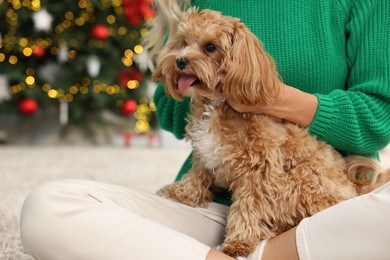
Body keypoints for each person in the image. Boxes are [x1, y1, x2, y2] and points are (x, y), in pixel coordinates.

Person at [20, 0, 390, 259]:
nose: (187, 53)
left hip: (324, 215)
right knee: (49, 208)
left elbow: (377, 119)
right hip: (214, 212)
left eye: (208, 47)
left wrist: (267, 97)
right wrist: (188, 74)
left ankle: (271, 255)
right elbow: (169, 113)